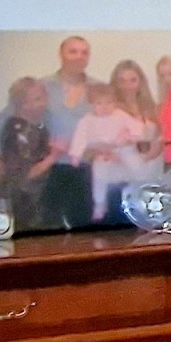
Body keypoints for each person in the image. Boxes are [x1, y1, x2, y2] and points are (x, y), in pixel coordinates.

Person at [69, 70, 157, 224]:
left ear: (115, 103)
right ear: (91, 104)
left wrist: (133, 136)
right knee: (99, 176)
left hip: (123, 148)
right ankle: (100, 203)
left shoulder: (119, 114)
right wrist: (76, 154)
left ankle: (145, 194)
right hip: (102, 153)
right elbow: (79, 137)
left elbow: (136, 127)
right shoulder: (87, 120)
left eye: (109, 103)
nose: (105, 107)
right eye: (99, 103)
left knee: (138, 167)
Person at [0, 76, 61, 231]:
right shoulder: (17, 131)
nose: (42, 103)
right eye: (36, 99)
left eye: (42, 97)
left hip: (35, 199)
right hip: (23, 204)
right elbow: (25, 174)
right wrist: (54, 156)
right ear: (22, 104)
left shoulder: (42, 121)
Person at [40, 37, 97, 227]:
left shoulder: (99, 88)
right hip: (48, 168)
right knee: (48, 229)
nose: (79, 56)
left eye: (84, 52)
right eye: (73, 51)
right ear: (61, 54)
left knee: (85, 230)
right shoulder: (42, 86)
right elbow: (19, 116)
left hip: (87, 168)